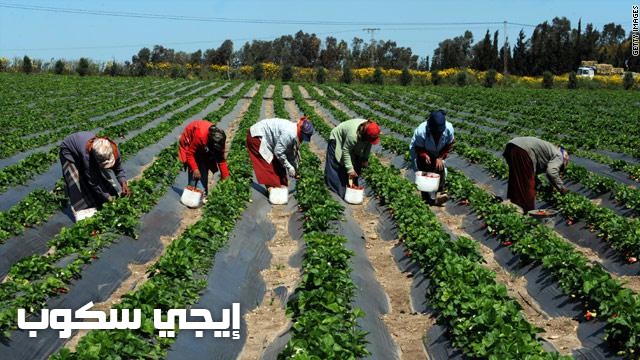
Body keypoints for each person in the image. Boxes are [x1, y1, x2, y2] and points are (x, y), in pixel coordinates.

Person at [59, 131, 131, 216]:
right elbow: (94, 182)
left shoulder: (113, 150)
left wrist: (124, 183)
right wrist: (109, 198)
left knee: (100, 176)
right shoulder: (88, 156)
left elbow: (119, 169)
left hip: (82, 146)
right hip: (69, 150)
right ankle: (86, 210)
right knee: (78, 181)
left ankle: (100, 201)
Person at [503, 136, 570, 212]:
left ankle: (511, 207)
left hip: (511, 146)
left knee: (516, 181)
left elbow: (532, 173)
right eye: (560, 168)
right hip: (522, 150)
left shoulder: (549, 152)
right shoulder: (559, 156)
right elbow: (551, 172)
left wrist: (541, 186)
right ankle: (527, 212)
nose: (559, 169)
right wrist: (561, 188)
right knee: (527, 186)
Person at [247, 117, 314, 192]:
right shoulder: (289, 134)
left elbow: (290, 153)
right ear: (301, 131)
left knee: (279, 163)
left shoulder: (295, 133)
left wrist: (295, 169)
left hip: (269, 139)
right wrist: (289, 167)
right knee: (267, 165)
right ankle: (272, 190)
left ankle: (280, 187)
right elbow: (278, 152)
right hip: (257, 136)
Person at [325, 118, 381, 198]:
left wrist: (365, 159)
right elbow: (346, 151)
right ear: (365, 135)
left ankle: (351, 186)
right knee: (336, 165)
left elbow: (368, 145)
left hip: (349, 140)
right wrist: (350, 169)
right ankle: (336, 189)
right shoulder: (353, 135)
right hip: (337, 138)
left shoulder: (368, 131)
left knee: (355, 163)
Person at [409, 110, 455, 205]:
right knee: (423, 169)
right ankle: (426, 198)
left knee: (440, 166)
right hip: (422, 150)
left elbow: (449, 144)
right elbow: (418, 148)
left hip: (438, 151)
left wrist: (440, 157)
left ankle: (440, 191)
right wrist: (424, 155)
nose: (437, 134)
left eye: (439, 132)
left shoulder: (449, 128)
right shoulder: (421, 131)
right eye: (435, 132)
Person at [178, 120, 230, 198]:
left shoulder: (220, 142)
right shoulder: (200, 135)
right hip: (191, 138)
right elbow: (190, 154)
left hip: (203, 144)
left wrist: (225, 179)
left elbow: (221, 161)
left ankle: (202, 193)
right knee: (194, 168)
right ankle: (192, 192)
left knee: (205, 165)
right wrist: (195, 169)